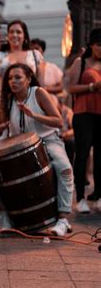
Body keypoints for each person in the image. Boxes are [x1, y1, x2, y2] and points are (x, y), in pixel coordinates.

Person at [0, 63, 74, 236]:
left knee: (64, 168)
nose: (13, 81)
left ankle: (63, 219)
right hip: (17, 148)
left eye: (18, 77)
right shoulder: (7, 99)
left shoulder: (38, 93)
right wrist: (1, 126)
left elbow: (58, 122)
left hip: (47, 139)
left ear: (28, 79)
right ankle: (6, 214)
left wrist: (33, 115)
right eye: (10, 78)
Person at [0, 19, 43, 146]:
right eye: (11, 32)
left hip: (30, 99)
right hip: (5, 100)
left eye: (18, 32)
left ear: (25, 36)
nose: (14, 35)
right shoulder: (1, 55)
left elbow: (40, 82)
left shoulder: (34, 54)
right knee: (5, 136)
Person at [67, 28, 101, 213]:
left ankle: (98, 195)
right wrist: (92, 86)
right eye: (98, 45)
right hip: (83, 114)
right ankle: (80, 197)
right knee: (82, 155)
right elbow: (70, 88)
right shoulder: (81, 62)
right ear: (91, 45)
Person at [30, 38, 64, 102]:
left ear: (42, 51)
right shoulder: (26, 68)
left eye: (37, 48)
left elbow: (61, 87)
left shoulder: (52, 67)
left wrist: (46, 89)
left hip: (50, 101)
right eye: (31, 49)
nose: (34, 51)